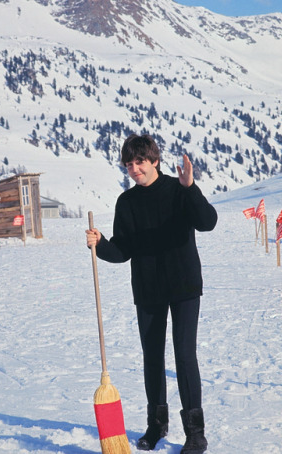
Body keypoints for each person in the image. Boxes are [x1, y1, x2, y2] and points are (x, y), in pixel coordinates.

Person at [85, 134, 217, 453]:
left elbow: (207, 222)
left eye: (139, 162)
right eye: (129, 164)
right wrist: (101, 244)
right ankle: (157, 424)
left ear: (154, 160)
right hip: (148, 289)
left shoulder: (177, 190)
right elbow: (123, 250)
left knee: (184, 356)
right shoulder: (127, 203)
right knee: (152, 358)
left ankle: (195, 433)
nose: (134, 169)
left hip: (183, 285)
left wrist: (191, 188)